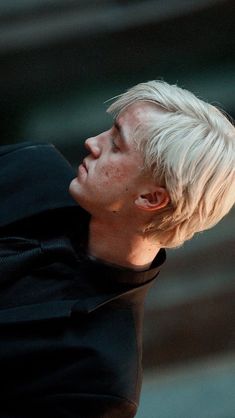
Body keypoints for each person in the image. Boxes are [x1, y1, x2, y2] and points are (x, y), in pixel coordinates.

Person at [0, 80, 234, 418]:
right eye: (109, 130)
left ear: (150, 198)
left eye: (116, 144)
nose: (92, 143)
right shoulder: (32, 167)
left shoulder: (98, 377)